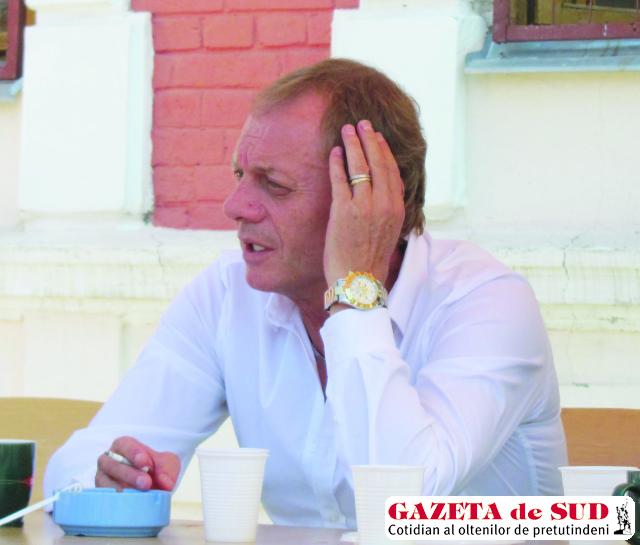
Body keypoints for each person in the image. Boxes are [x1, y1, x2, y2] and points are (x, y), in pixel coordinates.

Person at [44, 58, 567, 528]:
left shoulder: (486, 302)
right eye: (240, 175)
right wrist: (115, 479)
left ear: (372, 197)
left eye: (274, 184)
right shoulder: (227, 295)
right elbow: (73, 471)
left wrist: (354, 290)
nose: (235, 206)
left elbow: (402, 506)